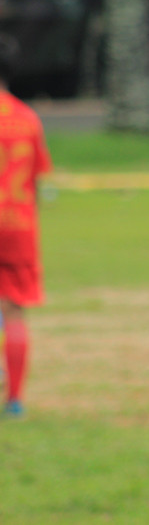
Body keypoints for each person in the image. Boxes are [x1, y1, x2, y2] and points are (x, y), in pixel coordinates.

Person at [0, 34, 52, 417]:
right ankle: (15, 400)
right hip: (17, 225)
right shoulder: (26, 118)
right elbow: (36, 178)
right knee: (15, 310)